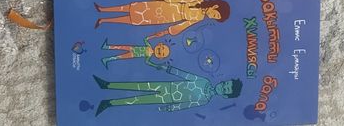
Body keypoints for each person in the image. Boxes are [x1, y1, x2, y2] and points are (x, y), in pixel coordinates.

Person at [94, 64, 242, 114]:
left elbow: (186, 105)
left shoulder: (205, 100)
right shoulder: (204, 81)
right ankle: (108, 85)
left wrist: (169, 108)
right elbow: (186, 75)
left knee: (138, 100)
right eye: (225, 84)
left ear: (225, 96)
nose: (222, 87)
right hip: (167, 86)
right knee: (138, 86)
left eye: (226, 90)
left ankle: (110, 103)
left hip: (168, 98)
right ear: (223, 81)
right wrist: (168, 69)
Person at [93, 0, 230, 39]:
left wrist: (166, 32)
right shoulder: (198, 0)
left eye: (215, 18)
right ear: (215, 6)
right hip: (165, 7)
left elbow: (184, 25)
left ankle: (104, 20)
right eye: (215, 14)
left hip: (166, 18)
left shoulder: (199, 18)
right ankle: (104, 9)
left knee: (135, 19)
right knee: (134, 8)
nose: (212, 16)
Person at [100, 37, 169, 68]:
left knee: (120, 57)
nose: (160, 51)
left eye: (162, 53)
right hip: (133, 48)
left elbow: (147, 62)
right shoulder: (149, 47)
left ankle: (106, 59)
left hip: (133, 54)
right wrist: (154, 36)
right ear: (159, 44)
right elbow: (145, 39)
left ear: (160, 57)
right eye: (162, 48)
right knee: (120, 47)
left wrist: (155, 65)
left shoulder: (149, 54)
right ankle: (107, 47)